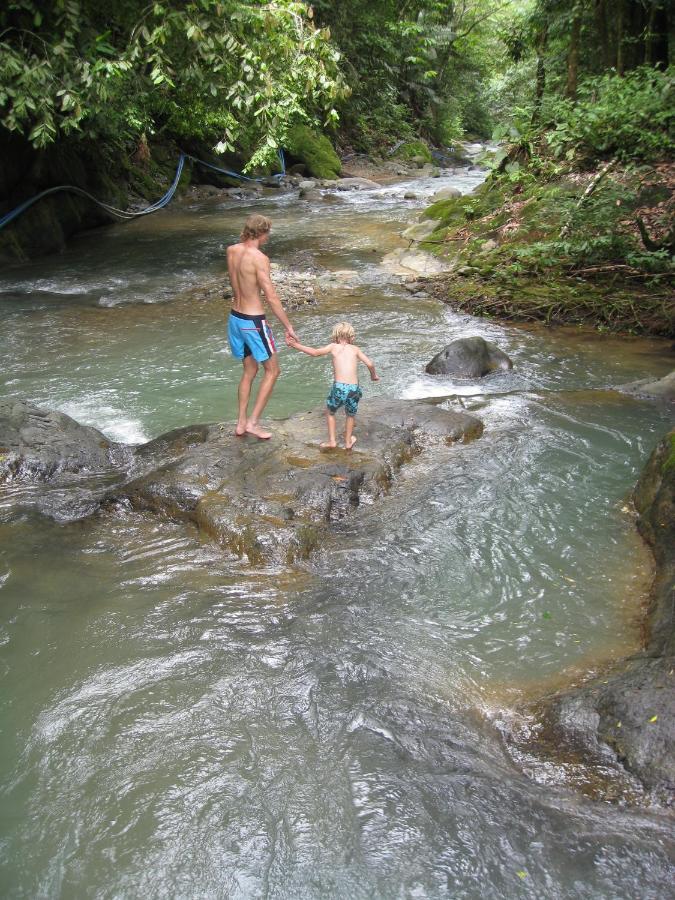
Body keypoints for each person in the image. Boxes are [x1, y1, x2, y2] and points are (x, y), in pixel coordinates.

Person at [226, 214, 298, 439]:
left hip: (235, 319)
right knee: (273, 370)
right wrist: (288, 326)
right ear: (263, 233)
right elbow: (272, 296)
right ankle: (253, 423)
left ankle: (240, 423)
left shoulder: (232, 250)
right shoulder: (259, 258)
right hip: (253, 322)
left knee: (249, 371)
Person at [288, 322, 379, 450]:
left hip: (339, 388)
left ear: (335, 336)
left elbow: (314, 352)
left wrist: (294, 344)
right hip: (354, 389)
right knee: (350, 415)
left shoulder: (333, 347)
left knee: (330, 413)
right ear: (351, 337)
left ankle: (332, 442)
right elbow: (370, 363)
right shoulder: (355, 349)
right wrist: (373, 376)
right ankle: (348, 442)